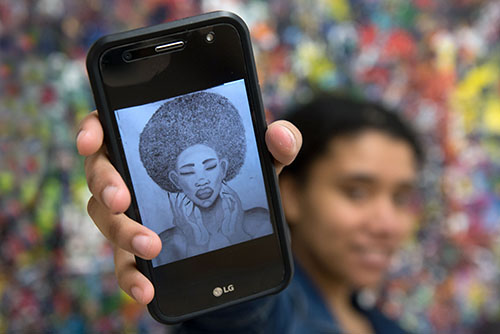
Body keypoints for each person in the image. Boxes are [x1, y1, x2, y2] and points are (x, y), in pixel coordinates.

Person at [77, 94, 423, 333]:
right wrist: (205, 244)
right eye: (357, 192)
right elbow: (237, 316)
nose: (386, 224)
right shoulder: (259, 313)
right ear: (289, 192)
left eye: (401, 198)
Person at [138, 91, 271, 266]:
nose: (201, 180)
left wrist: (237, 235)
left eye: (209, 167)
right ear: (175, 180)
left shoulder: (261, 223)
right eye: (187, 172)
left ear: (223, 168)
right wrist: (195, 244)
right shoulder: (165, 245)